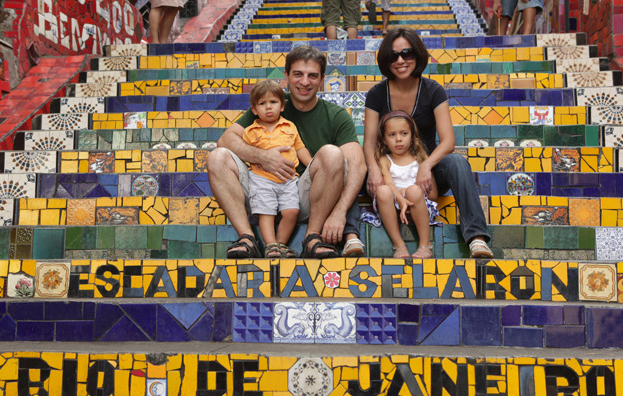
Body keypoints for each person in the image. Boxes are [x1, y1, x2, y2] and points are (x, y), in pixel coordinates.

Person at [207, 45, 366, 259]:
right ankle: (247, 238)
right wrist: (263, 157)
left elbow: (358, 165)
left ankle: (312, 237)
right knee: (218, 156)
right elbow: (225, 139)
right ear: (287, 76)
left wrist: (340, 211)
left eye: (312, 76)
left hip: (306, 194)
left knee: (332, 153)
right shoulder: (270, 106)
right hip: (262, 187)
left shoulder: (336, 116)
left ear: (321, 80)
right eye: (298, 74)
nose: (304, 82)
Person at [363, 28, 494, 258]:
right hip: (389, 172)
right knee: (354, 163)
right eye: (394, 56)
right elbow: (369, 142)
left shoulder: (433, 90)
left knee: (456, 162)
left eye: (407, 53)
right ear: (385, 59)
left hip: (427, 173)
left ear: (418, 55)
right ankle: (351, 235)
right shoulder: (376, 93)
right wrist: (374, 169)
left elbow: (448, 142)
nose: (401, 60)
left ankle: (476, 238)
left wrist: (426, 165)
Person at [242, 80, 312, 258]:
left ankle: (280, 245)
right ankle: (270, 244)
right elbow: (245, 153)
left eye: (273, 102)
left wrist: (313, 166)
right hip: (262, 179)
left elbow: (300, 149)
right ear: (255, 110)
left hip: (289, 180)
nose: (268, 107)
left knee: (291, 211)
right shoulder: (250, 131)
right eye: (262, 103)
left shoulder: (289, 127)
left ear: (282, 106)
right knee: (267, 212)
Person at [375, 111, 439, 259]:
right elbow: (389, 183)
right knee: (383, 190)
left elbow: (434, 194)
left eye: (404, 133)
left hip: (418, 207)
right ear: (384, 140)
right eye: (392, 135)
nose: (398, 139)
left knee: (413, 191)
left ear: (412, 136)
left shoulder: (421, 159)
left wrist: (410, 195)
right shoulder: (384, 160)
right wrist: (400, 198)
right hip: (392, 209)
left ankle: (425, 245)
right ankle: (399, 244)